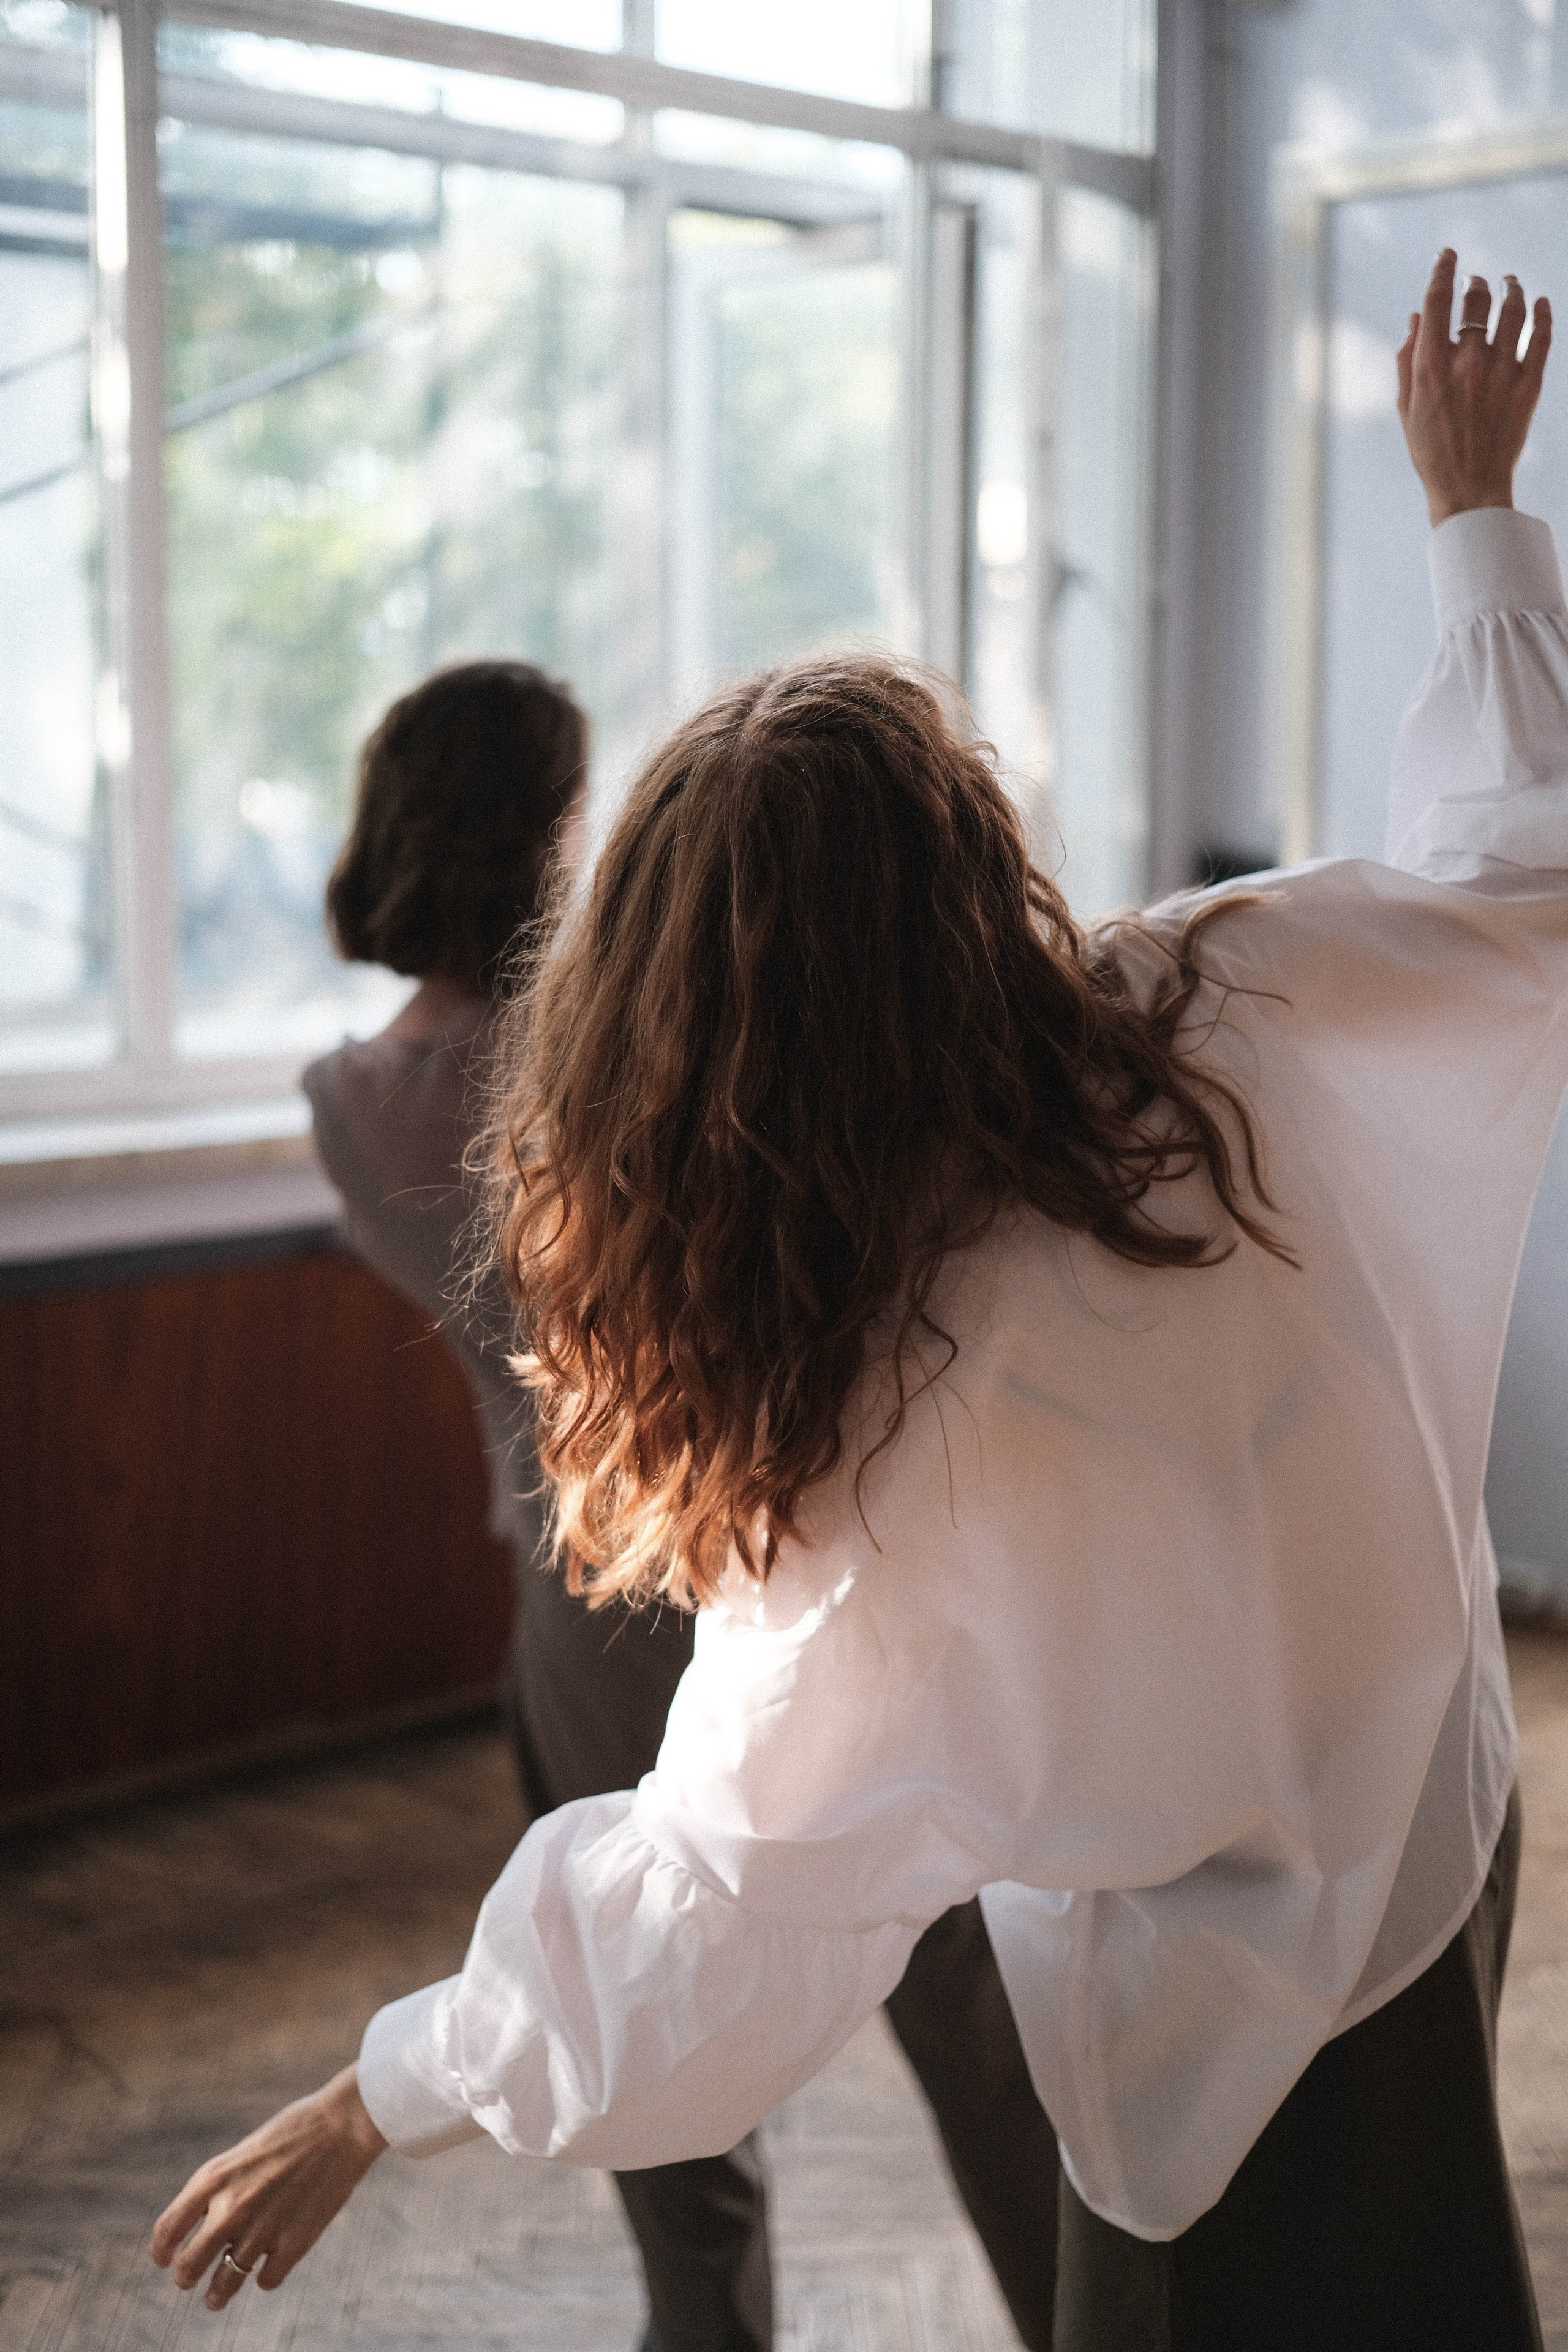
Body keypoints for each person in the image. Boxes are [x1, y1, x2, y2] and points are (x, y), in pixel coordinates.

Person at [153, 251, 1558, 2348]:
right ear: (971, 868)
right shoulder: (1207, 999)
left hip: (1224, 2044)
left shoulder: (884, 1445)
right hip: (1435, 1833)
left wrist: (392, 2086)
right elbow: (1510, 877)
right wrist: (1471, 516)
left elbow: (716, 1903)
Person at [294, 657, 1060, 2350]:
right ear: (556, 829)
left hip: (570, 1602)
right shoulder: (636, 1064)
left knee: (636, 2034)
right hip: (781, 1548)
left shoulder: (349, 1105)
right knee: (967, 2008)